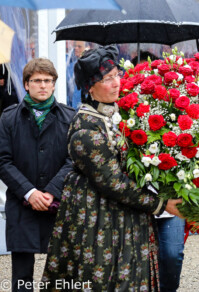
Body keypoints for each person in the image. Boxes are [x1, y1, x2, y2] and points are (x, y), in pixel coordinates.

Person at [41, 45, 182, 291]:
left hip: (127, 214)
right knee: (103, 276)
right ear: (89, 87)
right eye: (108, 79)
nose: (117, 82)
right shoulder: (86, 129)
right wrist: (161, 204)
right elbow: (113, 183)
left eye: (117, 74)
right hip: (99, 218)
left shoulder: (119, 113)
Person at [0, 58, 75, 291]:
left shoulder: (70, 117)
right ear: (26, 84)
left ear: (54, 84)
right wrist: (30, 192)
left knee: (64, 274)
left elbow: (74, 160)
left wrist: (52, 191)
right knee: (21, 276)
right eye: (37, 81)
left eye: (47, 80)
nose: (42, 85)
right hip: (22, 205)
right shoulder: (8, 117)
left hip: (59, 204)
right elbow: (3, 161)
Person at [132, 50, 186, 292]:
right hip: (135, 199)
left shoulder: (175, 107)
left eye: (151, 74)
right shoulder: (122, 110)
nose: (147, 79)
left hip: (169, 199)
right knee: (136, 258)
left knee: (172, 254)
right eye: (141, 74)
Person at [66, 41, 91, 109]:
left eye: (79, 46)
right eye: (75, 46)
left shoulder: (91, 67)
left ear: (87, 48)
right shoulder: (70, 66)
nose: (76, 48)